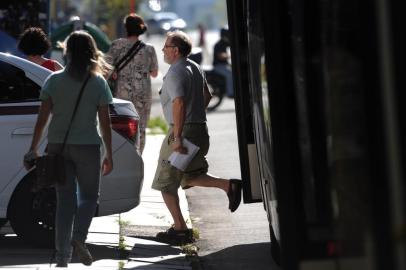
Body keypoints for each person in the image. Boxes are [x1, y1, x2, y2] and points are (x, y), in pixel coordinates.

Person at [23, 31, 114, 267]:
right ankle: (79, 238)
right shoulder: (98, 83)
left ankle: (62, 257)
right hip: (88, 147)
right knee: (89, 198)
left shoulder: (53, 80)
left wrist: (33, 149)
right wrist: (109, 155)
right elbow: (105, 123)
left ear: (67, 52)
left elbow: (42, 120)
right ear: (92, 53)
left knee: (65, 202)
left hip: (58, 148)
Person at [152, 31, 242, 244]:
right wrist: (194, 117)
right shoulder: (195, 67)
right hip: (199, 130)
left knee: (165, 183)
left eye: (166, 46)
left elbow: (179, 103)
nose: (163, 49)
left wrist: (177, 136)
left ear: (175, 50)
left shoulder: (175, 72)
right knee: (188, 176)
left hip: (183, 132)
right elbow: (207, 96)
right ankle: (229, 186)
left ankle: (181, 230)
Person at [107, 13, 158, 154]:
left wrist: (115, 72)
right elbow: (154, 73)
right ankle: (138, 157)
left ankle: (125, 155)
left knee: (123, 126)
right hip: (143, 95)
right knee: (141, 128)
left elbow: (106, 67)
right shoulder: (149, 49)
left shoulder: (116, 45)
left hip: (123, 94)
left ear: (126, 28)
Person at [213, 27, 234, 97]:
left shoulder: (225, 43)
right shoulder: (218, 44)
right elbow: (220, 56)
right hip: (218, 66)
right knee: (230, 74)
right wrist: (229, 55)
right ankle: (230, 93)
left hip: (224, 65)